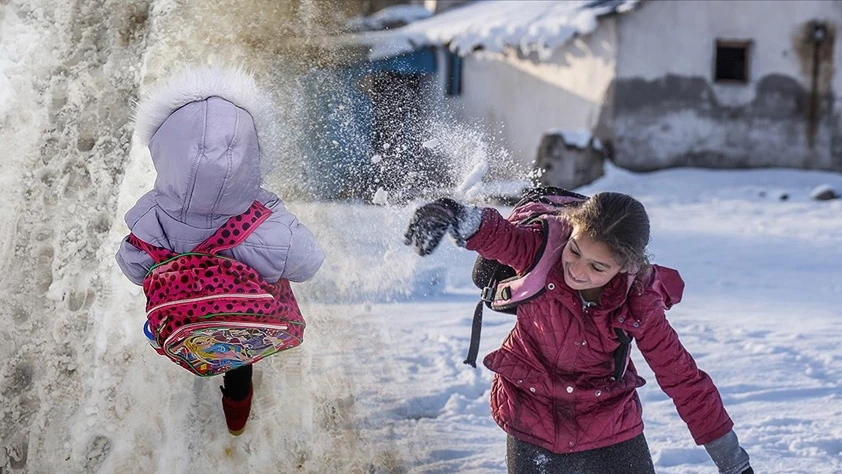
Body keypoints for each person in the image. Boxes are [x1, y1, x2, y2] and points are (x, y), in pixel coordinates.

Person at [403, 194, 752, 474]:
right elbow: (497, 235)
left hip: (610, 424)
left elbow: (684, 380)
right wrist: (450, 212)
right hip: (531, 415)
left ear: (626, 268)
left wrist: (733, 462)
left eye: (597, 267)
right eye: (575, 251)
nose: (577, 270)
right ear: (570, 231)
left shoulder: (639, 304)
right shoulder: (541, 251)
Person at [115, 65, 325, 435]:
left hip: (179, 319)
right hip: (242, 320)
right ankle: (236, 413)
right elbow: (308, 263)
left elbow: (132, 265)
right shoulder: (266, 224)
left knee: (179, 328)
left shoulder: (151, 217)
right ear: (252, 155)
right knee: (239, 354)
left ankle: (189, 350)